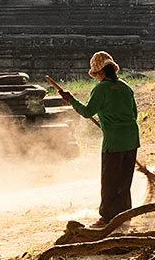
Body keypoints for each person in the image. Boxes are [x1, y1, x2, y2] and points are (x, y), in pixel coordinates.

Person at [50, 51, 141, 223]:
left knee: (109, 182)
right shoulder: (125, 87)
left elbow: (87, 112)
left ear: (100, 72)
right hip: (131, 138)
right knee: (124, 181)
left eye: (96, 74)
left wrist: (71, 99)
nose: (96, 78)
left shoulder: (101, 88)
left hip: (114, 142)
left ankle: (107, 217)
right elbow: (133, 114)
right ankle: (124, 214)